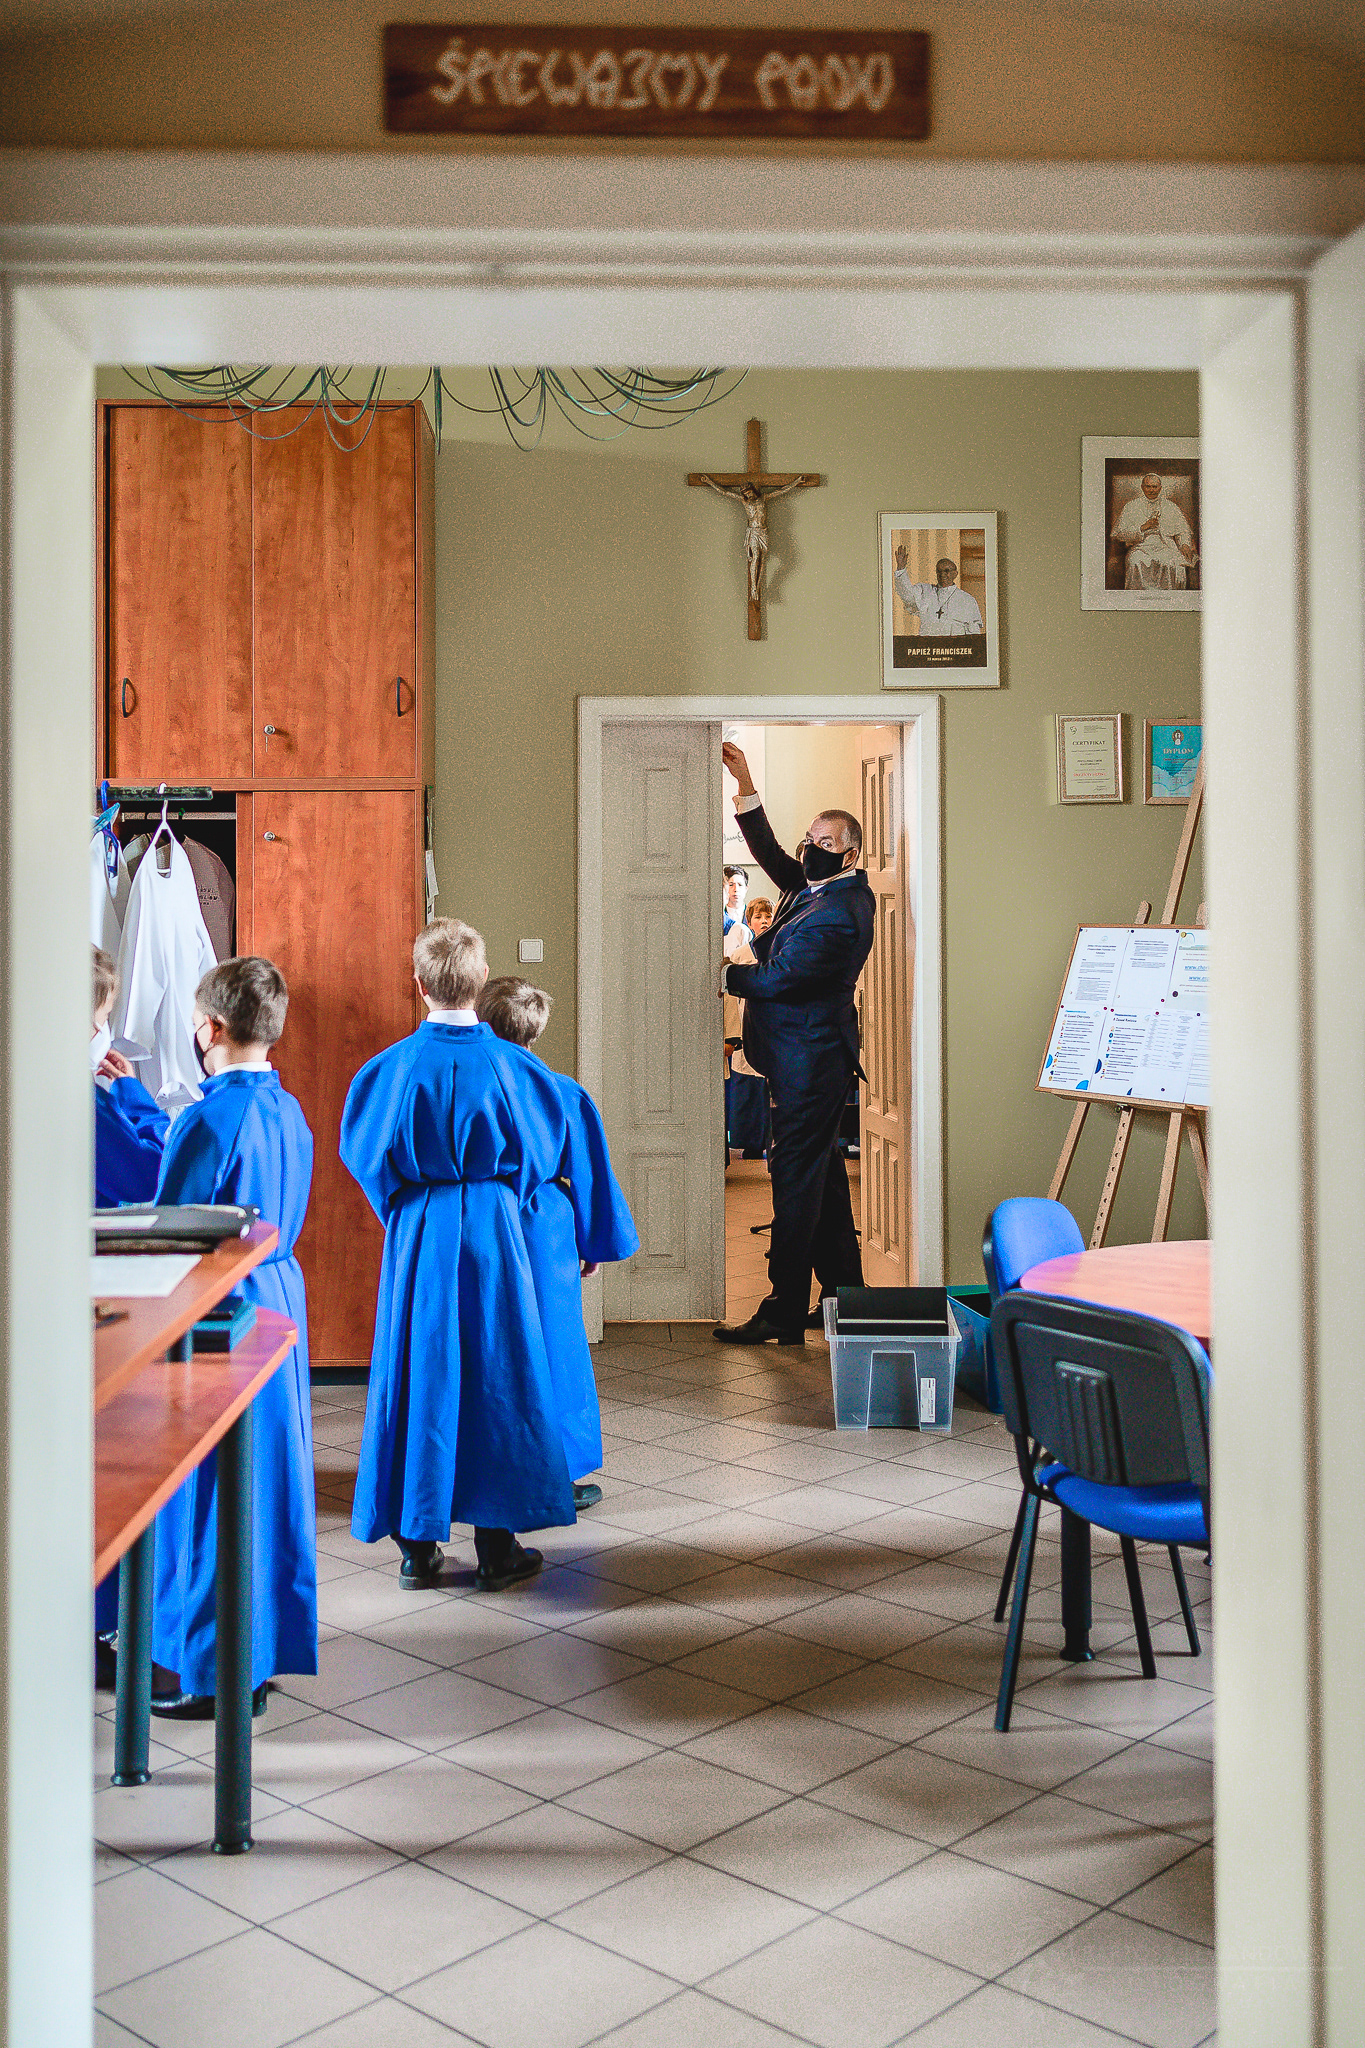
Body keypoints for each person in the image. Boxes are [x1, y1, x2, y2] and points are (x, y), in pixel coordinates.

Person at [341, 919, 584, 1594]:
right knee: (498, 1371)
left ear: (418, 984)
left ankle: (417, 1549)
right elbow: (540, 1153)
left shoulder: (389, 1068)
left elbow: (367, 1157)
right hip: (494, 1228)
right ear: (480, 983)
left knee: (417, 1371)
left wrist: (408, 1208)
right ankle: (497, 1546)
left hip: (420, 1226)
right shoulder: (517, 1066)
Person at [150, 957, 317, 1719]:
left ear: (208, 1028)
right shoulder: (289, 1108)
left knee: (212, 1488)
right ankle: (258, 1651)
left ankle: (215, 1671)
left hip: (222, 1304)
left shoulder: (205, 1118)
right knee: (266, 1482)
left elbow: (171, 1229)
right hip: (279, 1295)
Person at [714, 743, 874, 1344]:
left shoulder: (841, 910)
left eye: (824, 843)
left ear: (849, 854)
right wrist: (744, 782)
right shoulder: (813, 889)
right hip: (801, 1061)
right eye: (809, 838)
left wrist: (724, 973)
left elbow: (780, 980)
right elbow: (771, 853)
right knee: (822, 1177)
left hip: (812, 1064)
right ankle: (844, 1298)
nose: (809, 850)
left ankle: (784, 1307)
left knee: (795, 1182)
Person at [474, 975, 639, 1511]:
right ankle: (558, 1473)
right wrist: (592, 1241)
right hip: (545, 1228)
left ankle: (477, 1468)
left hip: (481, 1220)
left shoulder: (465, 1085)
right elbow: (590, 1172)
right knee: (554, 1347)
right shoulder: (563, 1091)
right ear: (536, 1030)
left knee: (484, 1344)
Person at [92, 943, 170, 1684]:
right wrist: (134, 1098)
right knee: (108, 1461)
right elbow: (152, 1173)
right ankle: (102, 1626)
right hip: (97, 1288)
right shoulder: (90, 1097)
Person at [1110, 471, 1198, 590]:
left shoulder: (1171, 507)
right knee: (1135, 562)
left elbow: (1182, 530)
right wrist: (1143, 527)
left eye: (1154, 487)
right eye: (1148, 486)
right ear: (1142, 487)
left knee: (1169, 564)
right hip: (1140, 546)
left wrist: (1184, 544)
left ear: (1160, 488)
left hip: (1165, 545)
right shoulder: (1131, 506)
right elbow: (1120, 533)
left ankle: (1167, 598)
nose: (1151, 490)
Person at [892, 551, 983, 636]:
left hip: (955, 645)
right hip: (928, 645)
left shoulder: (967, 600)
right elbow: (907, 594)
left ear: (955, 574)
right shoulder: (925, 591)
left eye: (946, 571)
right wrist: (901, 569)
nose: (942, 574)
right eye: (939, 571)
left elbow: (974, 633)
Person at [723, 865, 750, 936]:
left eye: (740, 885)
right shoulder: (719, 916)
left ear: (746, 888)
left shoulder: (753, 915)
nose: (736, 889)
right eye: (731, 885)